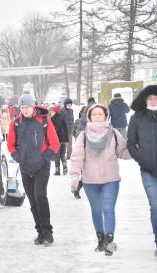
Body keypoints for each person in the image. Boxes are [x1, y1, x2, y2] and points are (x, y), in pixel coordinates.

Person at [69, 104, 131, 256]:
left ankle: (110, 241)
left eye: (100, 114)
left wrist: (137, 148)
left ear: (106, 116)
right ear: (89, 117)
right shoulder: (83, 136)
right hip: (90, 180)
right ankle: (101, 239)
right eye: (94, 114)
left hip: (111, 179)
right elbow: (77, 157)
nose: (97, 116)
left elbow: (123, 152)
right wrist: (74, 176)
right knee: (96, 210)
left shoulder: (114, 133)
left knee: (108, 209)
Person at [7, 93, 60, 246]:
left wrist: (45, 158)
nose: (25, 110)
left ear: (33, 106)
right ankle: (40, 232)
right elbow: (11, 145)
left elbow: (55, 144)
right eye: (22, 108)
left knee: (40, 195)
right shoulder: (15, 124)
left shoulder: (44, 121)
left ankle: (48, 231)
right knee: (32, 201)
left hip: (42, 166)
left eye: (27, 107)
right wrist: (19, 158)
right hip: (25, 167)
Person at [127, 85, 157, 257]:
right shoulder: (137, 118)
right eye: (150, 98)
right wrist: (141, 158)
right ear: (145, 101)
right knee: (155, 206)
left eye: (156, 98)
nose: (153, 100)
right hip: (148, 171)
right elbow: (131, 143)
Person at [49, 106, 69, 175]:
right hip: (64, 140)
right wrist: (67, 139)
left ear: (56, 112)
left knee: (56, 156)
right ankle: (65, 166)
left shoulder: (52, 120)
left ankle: (57, 170)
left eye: (52, 112)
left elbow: (53, 131)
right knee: (62, 155)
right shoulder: (62, 118)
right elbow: (66, 129)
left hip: (57, 141)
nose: (51, 113)